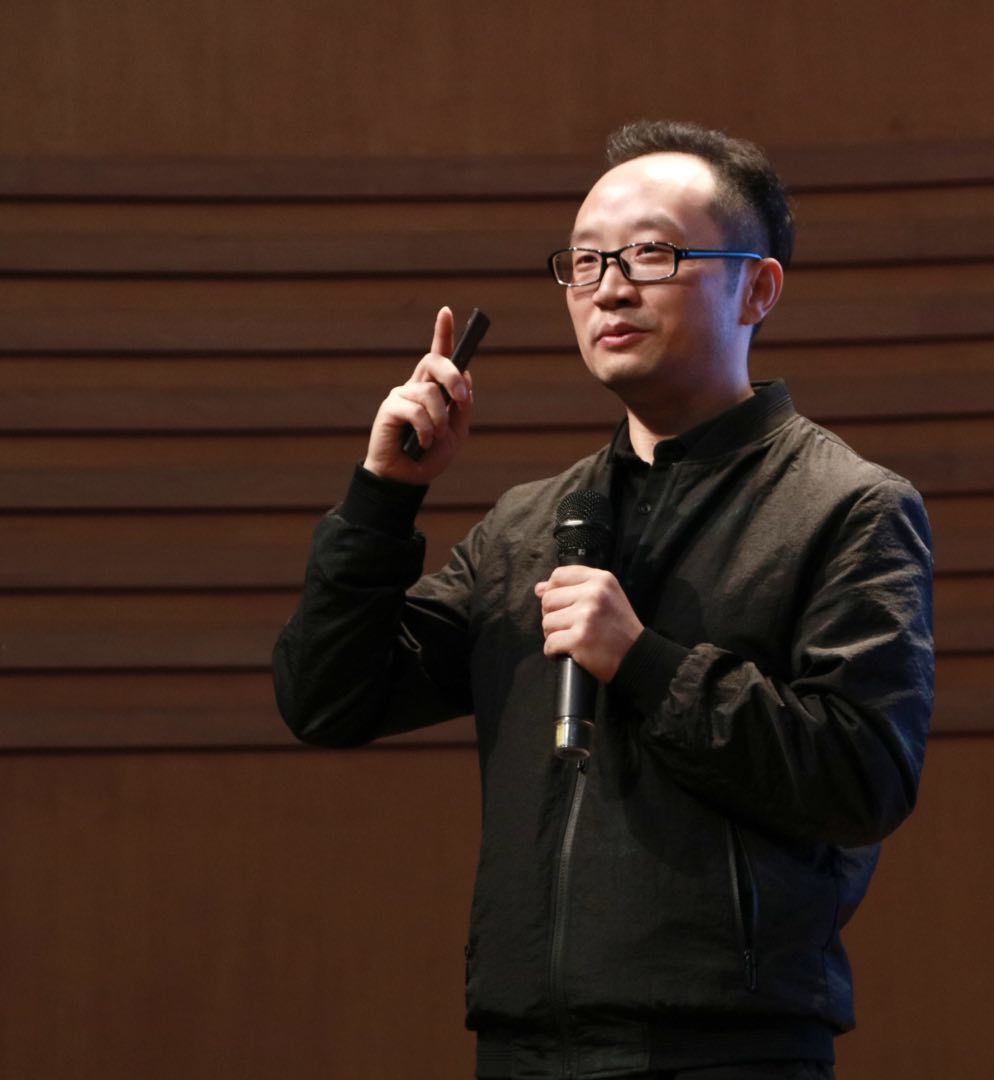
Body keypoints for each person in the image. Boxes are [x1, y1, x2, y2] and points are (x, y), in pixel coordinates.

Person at [273, 120, 934, 1079]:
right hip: (522, 1044)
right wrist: (384, 497)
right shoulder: (529, 525)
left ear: (758, 288)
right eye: (585, 262)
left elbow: (863, 779)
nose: (610, 287)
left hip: (726, 1048)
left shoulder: (846, 506)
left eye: (652, 254)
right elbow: (328, 698)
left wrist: (645, 662)